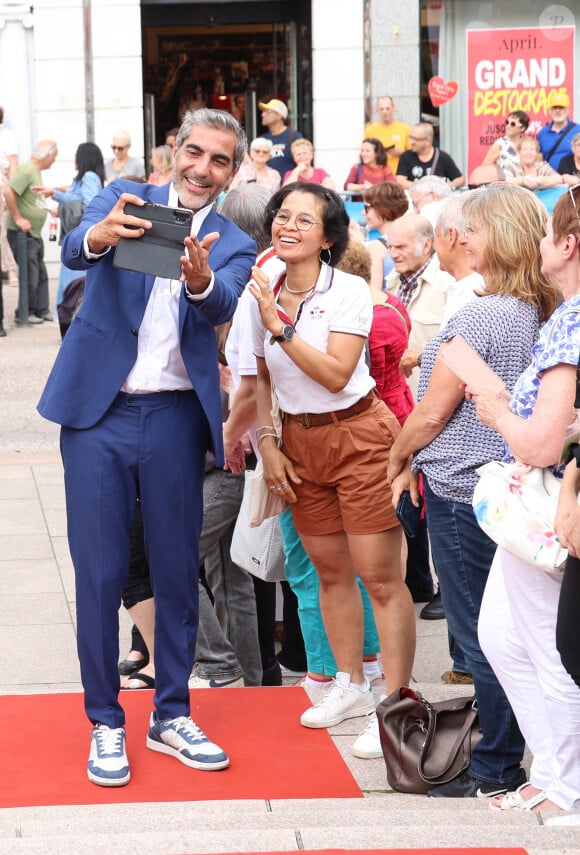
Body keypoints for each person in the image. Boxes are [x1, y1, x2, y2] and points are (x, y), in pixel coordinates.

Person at [37, 108, 256, 787]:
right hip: (97, 413)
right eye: (195, 152)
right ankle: (106, 721)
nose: (203, 168)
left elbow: (221, 304)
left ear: (233, 170)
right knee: (101, 574)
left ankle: (171, 713)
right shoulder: (123, 195)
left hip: (172, 417)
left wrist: (198, 280)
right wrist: (100, 234)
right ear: (175, 149)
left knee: (174, 571)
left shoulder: (233, 239)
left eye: (220, 160)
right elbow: (75, 248)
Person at [388, 183, 561, 800]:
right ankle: (517, 759)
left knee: (485, 636)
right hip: (511, 489)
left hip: (468, 490)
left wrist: (398, 456)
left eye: (474, 229)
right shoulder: (533, 309)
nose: (462, 238)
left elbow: (433, 412)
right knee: (508, 631)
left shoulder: (484, 314)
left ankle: (494, 766)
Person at [249, 182, 415, 745]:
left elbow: (337, 373)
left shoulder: (347, 292)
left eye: (303, 220)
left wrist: (280, 327)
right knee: (329, 572)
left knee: (381, 577)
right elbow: (261, 376)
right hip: (299, 443)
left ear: (327, 237)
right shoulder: (263, 289)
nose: (287, 226)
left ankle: (395, 703)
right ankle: (350, 684)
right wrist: (268, 443)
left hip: (359, 437)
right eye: (282, 216)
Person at [469, 187, 580, 815]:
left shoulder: (571, 317)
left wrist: (495, 411)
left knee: (547, 642)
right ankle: (557, 772)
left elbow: (540, 442)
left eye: (549, 234)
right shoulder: (565, 312)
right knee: (503, 635)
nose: (540, 244)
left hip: (550, 500)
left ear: (567, 245)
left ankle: (568, 787)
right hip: (544, 503)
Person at [32, 142, 106, 328]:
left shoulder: (89, 177)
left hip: (79, 239)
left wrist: (57, 196)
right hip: (76, 237)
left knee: (73, 286)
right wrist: (57, 198)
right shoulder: (87, 177)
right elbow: (77, 199)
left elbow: (89, 205)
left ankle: (70, 323)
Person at [383, 213, 451, 397]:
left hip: (431, 400)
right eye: (390, 247)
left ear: (427, 245)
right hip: (398, 398)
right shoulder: (391, 283)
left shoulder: (448, 285)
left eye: (400, 247)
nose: (393, 254)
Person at [4, 139, 58, 325]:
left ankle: (41, 309)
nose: (54, 160)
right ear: (47, 155)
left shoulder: (35, 171)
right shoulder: (27, 169)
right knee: (30, 274)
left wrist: (45, 210)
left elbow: (30, 198)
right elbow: (9, 191)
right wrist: (19, 218)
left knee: (40, 273)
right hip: (22, 233)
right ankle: (24, 312)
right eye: (55, 156)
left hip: (33, 232)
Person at [361, 181, 409, 290]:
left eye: (367, 208)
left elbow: (375, 294)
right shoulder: (412, 238)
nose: (363, 213)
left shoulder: (377, 247)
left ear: (381, 209)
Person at [396, 123, 464, 190]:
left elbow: (461, 180)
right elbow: (400, 181)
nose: (411, 142)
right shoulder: (406, 156)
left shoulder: (443, 157)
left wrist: (447, 186)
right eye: (411, 138)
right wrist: (424, 188)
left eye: (415, 139)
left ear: (427, 141)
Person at [0, 106, 19, 336]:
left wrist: (8, 190)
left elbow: (12, 166)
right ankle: (10, 268)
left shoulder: (7, 137)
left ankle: (10, 268)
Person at [364, 95, 411, 173]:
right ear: (377, 110)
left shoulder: (404, 128)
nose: (384, 112)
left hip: (398, 174)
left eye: (387, 108)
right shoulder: (370, 130)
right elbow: (365, 154)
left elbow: (412, 154)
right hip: (377, 174)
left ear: (393, 108)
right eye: (381, 109)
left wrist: (401, 153)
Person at [259, 99, 303, 180]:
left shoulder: (293, 136)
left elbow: (303, 163)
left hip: (288, 188)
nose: (262, 114)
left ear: (279, 116)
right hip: (268, 189)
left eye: (267, 111)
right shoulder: (262, 139)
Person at [538, 92, 580, 171]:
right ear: (550, 110)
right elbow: (539, 160)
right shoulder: (543, 133)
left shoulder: (578, 130)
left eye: (561, 107)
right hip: (550, 179)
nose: (558, 110)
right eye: (555, 107)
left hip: (573, 179)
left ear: (568, 110)